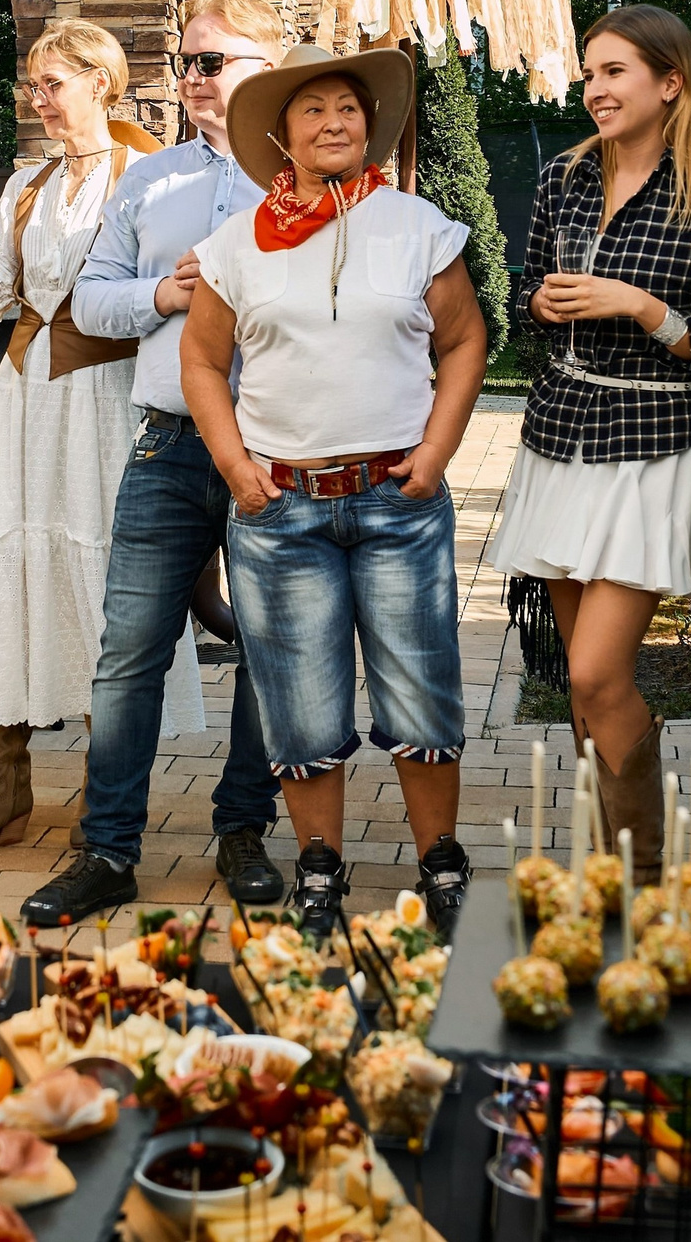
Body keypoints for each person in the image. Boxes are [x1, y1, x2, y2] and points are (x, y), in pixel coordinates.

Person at [180, 45, 488, 938]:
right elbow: (202, 361)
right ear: (283, 135)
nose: (333, 124)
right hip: (283, 512)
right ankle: (319, 868)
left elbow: (463, 342)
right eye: (312, 110)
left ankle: (442, 865)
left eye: (347, 108)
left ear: (370, 124)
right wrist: (237, 469)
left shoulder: (419, 226)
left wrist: (435, 453)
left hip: (399, 501)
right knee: (303, 701)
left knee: (421, 693)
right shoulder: (236, 246)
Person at [22, 0, 290, 924]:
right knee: (126, 654)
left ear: (270, 63)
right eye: (186, 62)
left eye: (213, 61)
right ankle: (107, 851)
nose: (192, 78)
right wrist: (160, 297)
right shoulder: (150, 181)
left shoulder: (311, 176)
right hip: (169, 443)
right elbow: (87, 308)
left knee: (268, 647)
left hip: (277, 450)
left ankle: (245, 827)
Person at [0, 18, 201, 862]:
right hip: (24, 392)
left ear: (102, 84)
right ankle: (0, 780)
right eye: (32, 85)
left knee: (100, 570)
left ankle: (100, 786)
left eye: (54, 84)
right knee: (12, 563)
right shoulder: (29, 183)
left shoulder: (152, 176)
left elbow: (176, 288)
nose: (37, 100)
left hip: (109, 391)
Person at [492, 6, 691, 881]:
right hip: (559, 435)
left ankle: (644, 877)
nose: (595, 89)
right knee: (582, 689)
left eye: (615, 71)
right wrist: (538, 306)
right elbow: (523, 297)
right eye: (589, 72)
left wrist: (643, 308)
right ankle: (611, 875)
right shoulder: (563, 179)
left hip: (652, 440)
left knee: (594, 674)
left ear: (669, 83)